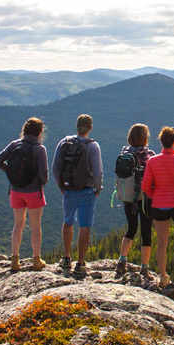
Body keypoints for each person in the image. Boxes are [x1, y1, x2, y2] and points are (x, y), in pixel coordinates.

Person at [140, 126, 174, 288]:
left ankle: (163, 276)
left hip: (159, 206)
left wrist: (155, 195)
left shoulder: (152, 161)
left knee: (162, 243)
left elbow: (145, 186)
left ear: (161, 141)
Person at [0, 117, 49, 271]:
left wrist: (10, 171)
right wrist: (39, 183)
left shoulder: (14, 145)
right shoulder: (40, 149)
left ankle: (14, 260)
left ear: (24, 130)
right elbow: (44, 174)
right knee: (36, 227)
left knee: (18, 225)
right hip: (33, 192)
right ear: (40, 132)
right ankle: (36, 260)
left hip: (15, 190)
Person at [52, 114, 102, 278]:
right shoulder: (93, 146)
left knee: (68, 222)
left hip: (68, 190)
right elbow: (97, 171)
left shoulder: (64, 142)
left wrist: (61, 186)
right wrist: (98, 188)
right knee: (85, 226)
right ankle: (80, 263)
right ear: (90, 128)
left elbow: (55, 167)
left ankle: (66, 258)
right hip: (86, 190)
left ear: (76, 126)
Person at [115, 123, 156, 279]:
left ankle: (122, 260)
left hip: (128, 197)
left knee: (131, 228)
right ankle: (144, 268)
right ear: (145, 138)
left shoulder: (124, 153)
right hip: (145, 199)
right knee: (146, 231)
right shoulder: (149, 154)